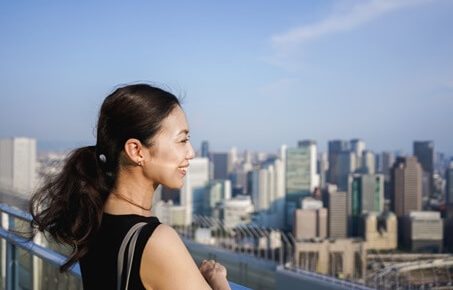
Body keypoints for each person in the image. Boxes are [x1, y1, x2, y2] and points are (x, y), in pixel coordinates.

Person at [29, 84, 231, 290]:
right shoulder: (156, 241)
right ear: (136, 151)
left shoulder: (91, 217)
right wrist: (217, 280)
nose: (191, 152)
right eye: (182, 140)